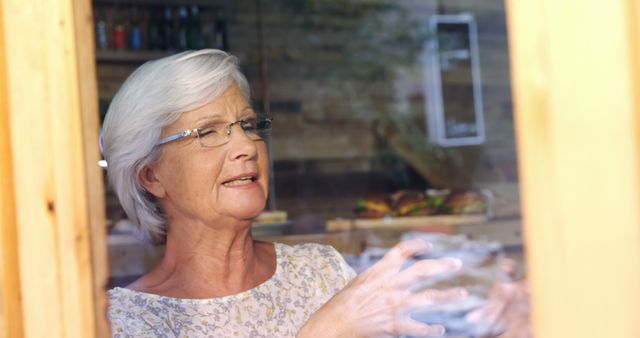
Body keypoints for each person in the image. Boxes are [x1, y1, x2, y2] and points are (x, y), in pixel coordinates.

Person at [102, 49, 526, 337]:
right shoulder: (123, 321)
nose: (246, 146)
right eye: (209, 132)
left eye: (248, 125)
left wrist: (497, 322)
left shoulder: (319, 270)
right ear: (150, 175)